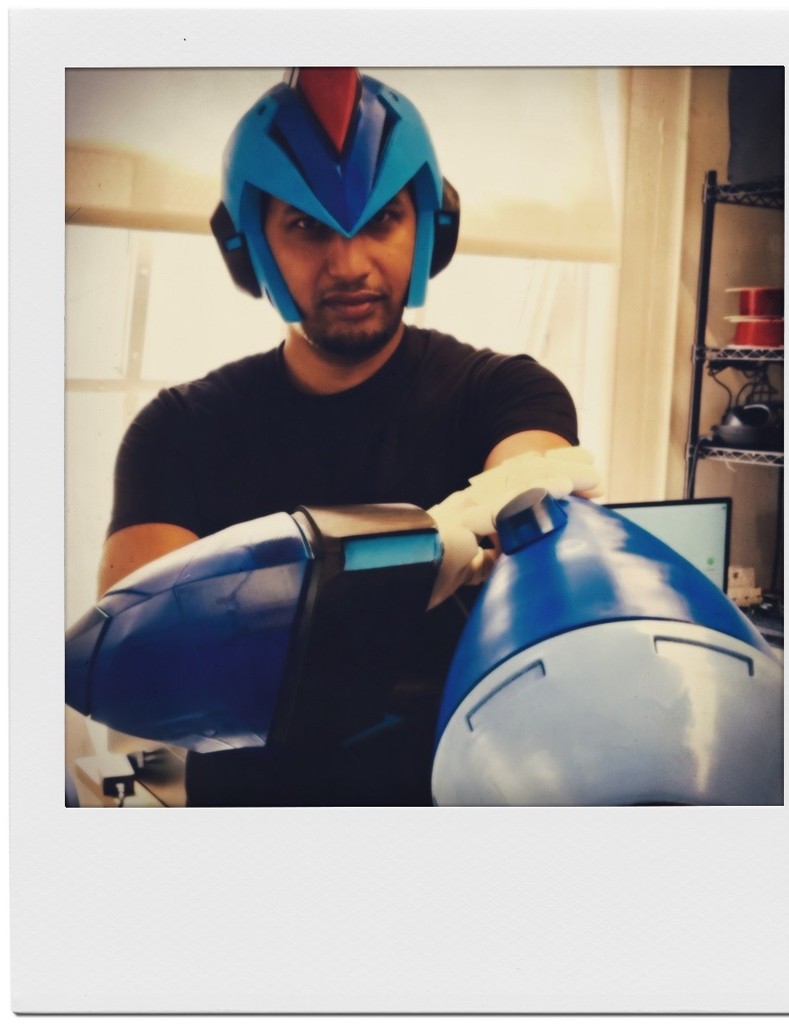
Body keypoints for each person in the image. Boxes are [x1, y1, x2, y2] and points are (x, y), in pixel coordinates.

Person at [95, 68, 600, 806]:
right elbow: (143, 658)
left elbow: (533, 494)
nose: (351, 264)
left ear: (430, 228)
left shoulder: (506, 391)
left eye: (382, 219)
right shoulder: (177, 429)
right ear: (249, 246)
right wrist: (428, 557)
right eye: (306, 227)